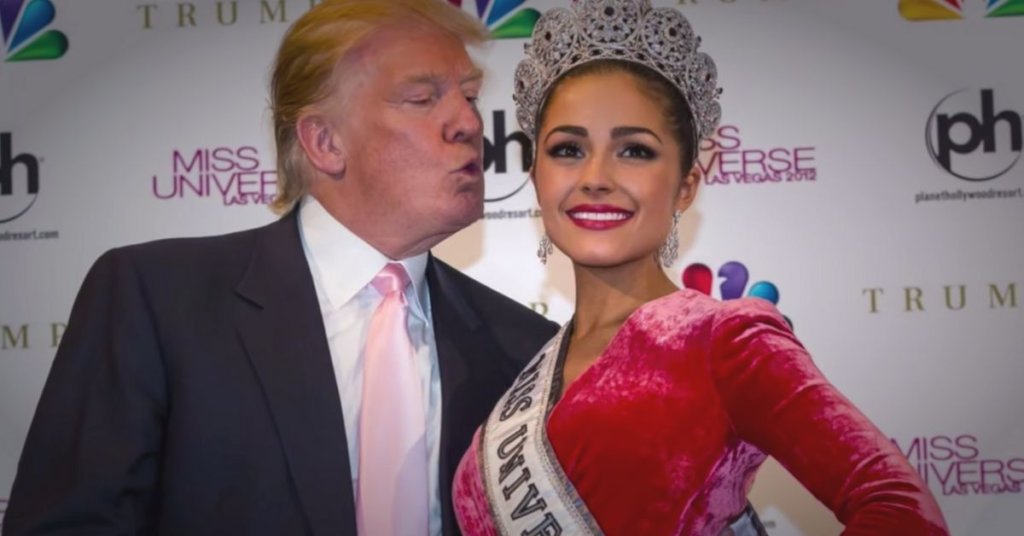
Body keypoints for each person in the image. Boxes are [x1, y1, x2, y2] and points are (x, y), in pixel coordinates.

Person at [3, 1, 558, 535]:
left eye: (469, 96)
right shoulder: (156, 300)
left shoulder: (527, 350)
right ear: (324, 142)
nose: (467, 122)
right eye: (421, 98)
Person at [451, 1, 950, 535]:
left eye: (634, 151)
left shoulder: (724, 340)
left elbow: (900, 509)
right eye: (568, 149)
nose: (594, 177)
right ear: (536, 175)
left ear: (686, 185)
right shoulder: (525, 364)